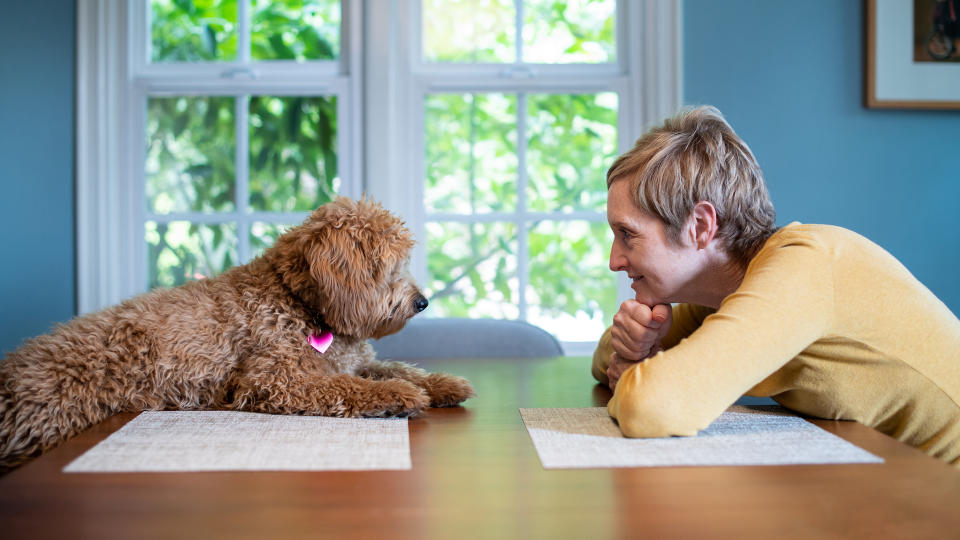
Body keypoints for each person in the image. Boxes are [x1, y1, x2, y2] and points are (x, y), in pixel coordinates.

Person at [593, 105, 960, 467]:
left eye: (628, 234)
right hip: (900, 479)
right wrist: (632, 348)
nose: (615, 260)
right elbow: (602, 361)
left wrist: (631, 375)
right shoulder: (720, 296)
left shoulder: (806, 267)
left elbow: (654, 407)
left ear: (701, 226)